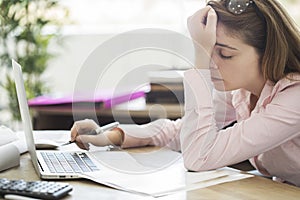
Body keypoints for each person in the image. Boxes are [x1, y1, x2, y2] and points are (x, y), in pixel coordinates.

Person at [70, 0, 300, 186]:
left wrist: (199, 66)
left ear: (269, 51)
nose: (211, 64)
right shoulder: (239, 89)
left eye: (225, 54)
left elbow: (198, 156)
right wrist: (110, 136)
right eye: (207, 50)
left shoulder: (294, 97)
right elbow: (184, 132)